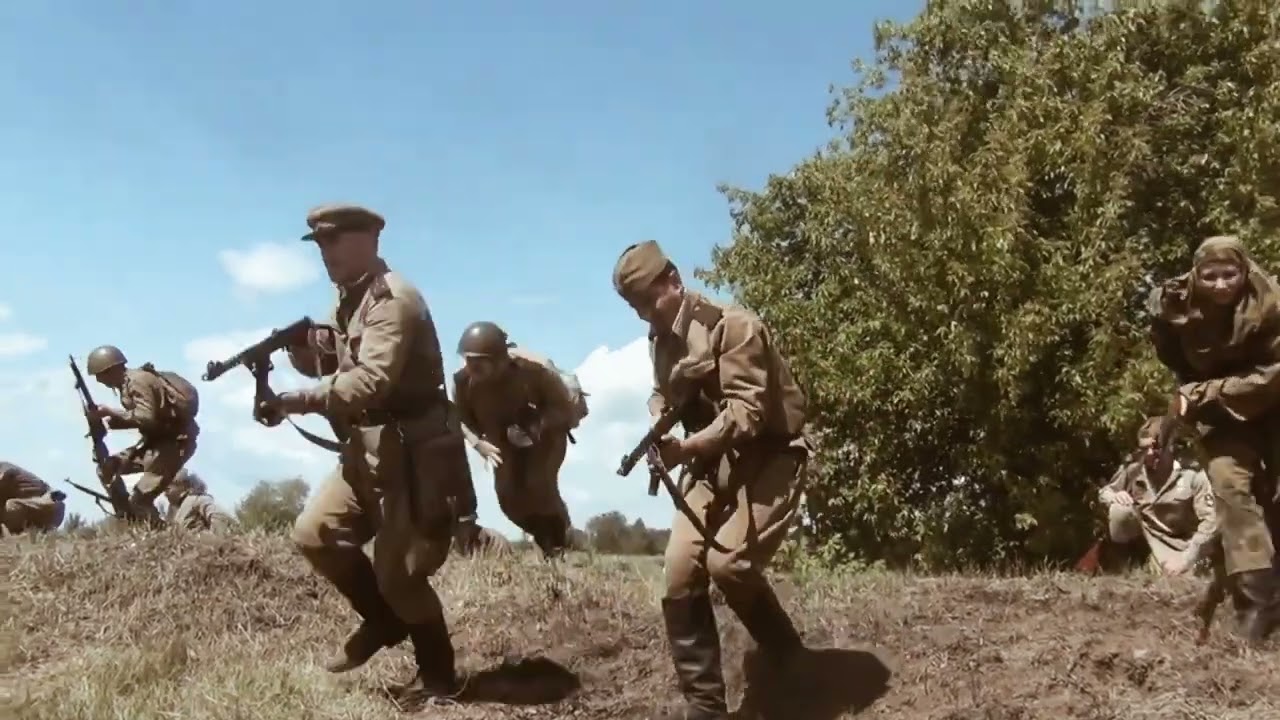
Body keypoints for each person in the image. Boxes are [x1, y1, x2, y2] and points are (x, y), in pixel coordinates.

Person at [263, 203, 467, 697]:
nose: (325, 253)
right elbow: (332, 364)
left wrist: (297, 401)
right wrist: (300, 351)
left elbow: (373, 380)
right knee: (315, 533)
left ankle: (440, 677)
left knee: (401, 576)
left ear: (368, 239)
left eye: (333, 241)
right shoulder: (346, 302)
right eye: (319, 244)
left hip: (412, 454)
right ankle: (382, 621)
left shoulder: (392, 299)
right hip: (367, 448)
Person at [612, 239, 811, 719]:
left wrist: (684, 450)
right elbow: (663, 393)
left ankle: (791, 661)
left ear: (673, 281)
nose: (644, 316)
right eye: (636, 308)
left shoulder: (735, 326)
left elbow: (747, 415)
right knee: (679, 571)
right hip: (709, 463)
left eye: (648, 302)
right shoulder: (661, 338)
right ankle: (705, 707)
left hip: (770, 456)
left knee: (729, 565)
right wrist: (659, 423)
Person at [1149, 234, 1280, 646]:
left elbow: (1272, 375)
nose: (1220, 284)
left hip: (1274, 399)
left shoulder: (1273, 303)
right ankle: (1257, 603)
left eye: (1230, 274)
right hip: (1224, 416)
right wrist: (1187, 403)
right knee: (1228, 485)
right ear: (1195, 274)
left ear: (1245, 271)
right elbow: (1175, 360)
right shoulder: (1173, 306)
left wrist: (1202, 393)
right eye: (1210, 276)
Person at [452, 321, 578, 558]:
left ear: (499, 360)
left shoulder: (535, 371)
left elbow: (565, 409)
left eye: (479, 362)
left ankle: (559, 542)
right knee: (508, 497)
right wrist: (478, 443)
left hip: (545, 437)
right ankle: (542, 536)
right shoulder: (463, 382)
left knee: (538, 485)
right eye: (468, 360)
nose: (471, 367)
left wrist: (538, 424)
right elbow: (460, 419)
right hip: (500, 442)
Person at [85, 345, 200, 528]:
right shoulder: (126, 385)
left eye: (100, 375)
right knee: (107, 468)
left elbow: (146, 417)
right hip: (154, 445)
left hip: (174, 445)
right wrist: (104, 422)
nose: (99, 380)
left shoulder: (138, 381)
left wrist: (111, 412)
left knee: (140, 500)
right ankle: (128, 517)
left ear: (111, 369)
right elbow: (143, 419)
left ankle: (161, 535)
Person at [1098, 416, 1217, 575]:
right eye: (1144, 448)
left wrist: (1187, 559)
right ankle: (1123, 568)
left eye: (1155, 448)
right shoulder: (1134, 469)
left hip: (1179, 545)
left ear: (1170, 446)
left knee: (1182, 577)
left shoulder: (1192, 475)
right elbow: (1105, 492)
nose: (1149, 454)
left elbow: (1211, 523)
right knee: (1119, 510)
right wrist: (1115, 496)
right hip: (1146, 541)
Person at [0, 461, 66, 535]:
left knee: (11, 505)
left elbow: (8, 475)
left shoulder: (5, 469)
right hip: (54, 513)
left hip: (47, 509)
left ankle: (50, 500)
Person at [163, 469, 235, 531]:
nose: (165, 493)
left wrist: (214, 539)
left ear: (184, 485)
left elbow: (220, 516)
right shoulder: (172, 509)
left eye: (168, 488)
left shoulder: (197, 500)